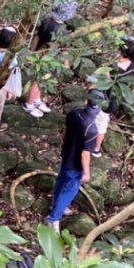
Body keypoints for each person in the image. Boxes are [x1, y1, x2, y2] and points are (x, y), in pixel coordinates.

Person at [47, 95, 99, 232]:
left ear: (86, 102)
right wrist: (86, 172)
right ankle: (53, 219)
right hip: (76, 164)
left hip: (66, 154)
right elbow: (85, 154)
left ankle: (56, 206)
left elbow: (66, 130)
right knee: (70, 190)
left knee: (61, 179)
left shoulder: (75, 113)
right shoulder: (92, 129)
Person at [23, 0, 78, 118]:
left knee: (41, 81)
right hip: (49, 60)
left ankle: (36, 99)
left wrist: (32, 52)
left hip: (39, 55)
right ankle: (29, 104)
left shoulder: (46, 20)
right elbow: (64, 51)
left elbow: (37, 37)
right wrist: (66, 65)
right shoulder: (62, 32)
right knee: (39, 81)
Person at [91, 36, 134, 157]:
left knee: (99, 122)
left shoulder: (115, 68)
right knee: (102, 121)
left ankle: (94, 147)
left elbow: (100, 79)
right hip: (116, 99)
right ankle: (96, 148)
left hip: (106, 99)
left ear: (121, 52)